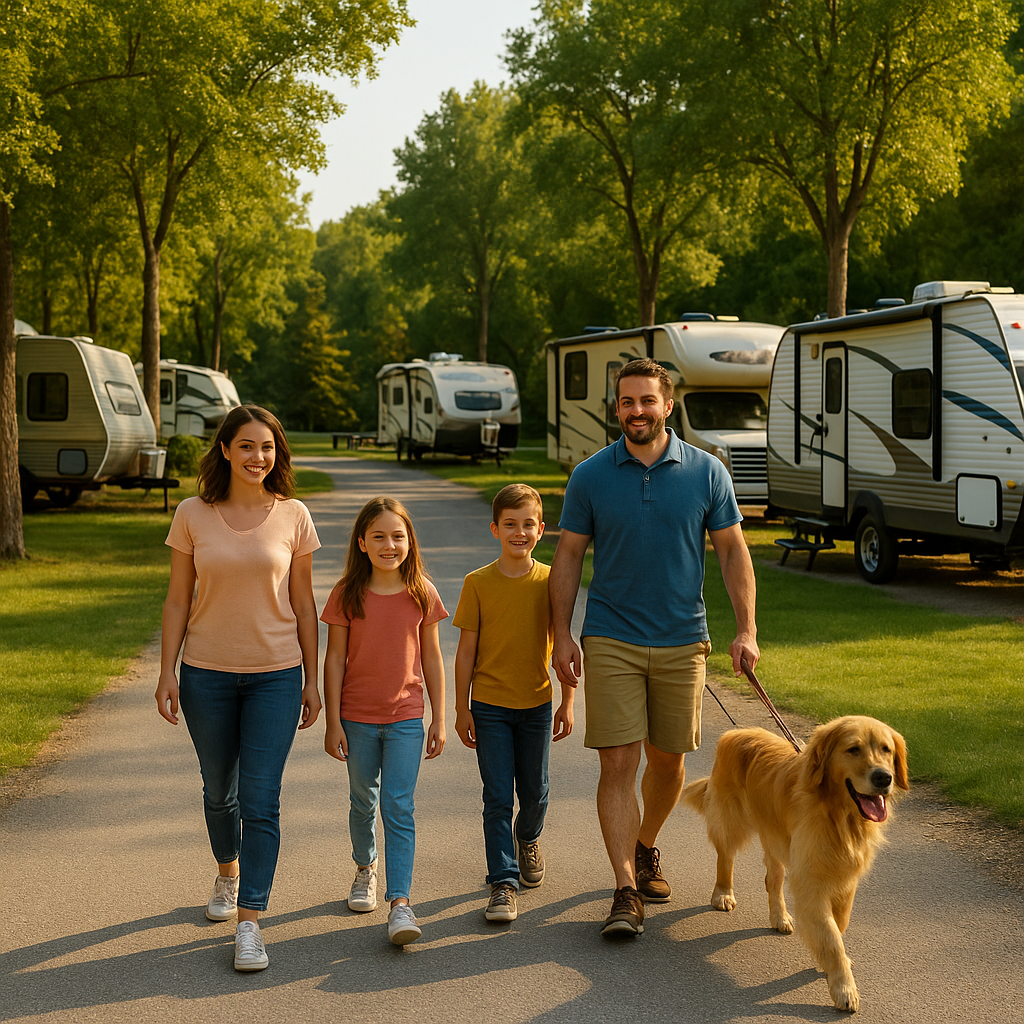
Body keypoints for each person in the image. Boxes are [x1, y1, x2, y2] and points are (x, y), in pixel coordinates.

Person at [549, 357, 759, 938]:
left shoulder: (707, 472)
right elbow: (567, 556)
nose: (635, 411)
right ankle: (623, 890)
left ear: (668, 405)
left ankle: (646, 846)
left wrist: (747, 630)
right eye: (626, 402)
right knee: (618, 764)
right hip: (611, 635)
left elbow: (733, 552)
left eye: (646, 401)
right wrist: (562, 633)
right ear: (615, 408)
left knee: (668, 761)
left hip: (682, 638)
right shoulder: (590, 475)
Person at [155, 404, 322, 972]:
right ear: (225, 450)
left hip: (276, 675)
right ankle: (228, 871)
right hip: (206, 674)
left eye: (268, 447)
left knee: (261, 799)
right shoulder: (192, 514)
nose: (258, 457)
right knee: (218, 791)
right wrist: (166, 671)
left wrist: (312, 679)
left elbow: (304, 602)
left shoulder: (294, 515)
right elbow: (178, 598)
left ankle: (250, 921)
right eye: (247, 446)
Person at [321, 495, 447, 946]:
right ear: (362, 542)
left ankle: (400, 904)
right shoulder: (346, 594)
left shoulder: (422, 593)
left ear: (409, 542)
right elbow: (334, 658)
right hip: (356, 718)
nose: (389, 544)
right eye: (379, 536)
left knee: (398, 806)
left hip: (406, 719)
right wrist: (332, 721)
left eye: (398, 536)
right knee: (362, 801)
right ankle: (364, 868)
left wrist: (439, 718)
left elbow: (432, 657)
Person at [453, 483, 575, 923]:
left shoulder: (551, 581)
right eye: (510, 524)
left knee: (536, 792)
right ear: (495, 529)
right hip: (489, 706)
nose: (519, 532)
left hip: (537, 705)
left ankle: (528, 838)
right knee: (497, 796)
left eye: (528, 524)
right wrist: (461, 708)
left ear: (542, 530)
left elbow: (564, 646)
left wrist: (568, 702)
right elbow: (465, 650)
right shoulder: (478, 583)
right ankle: (502, 883)